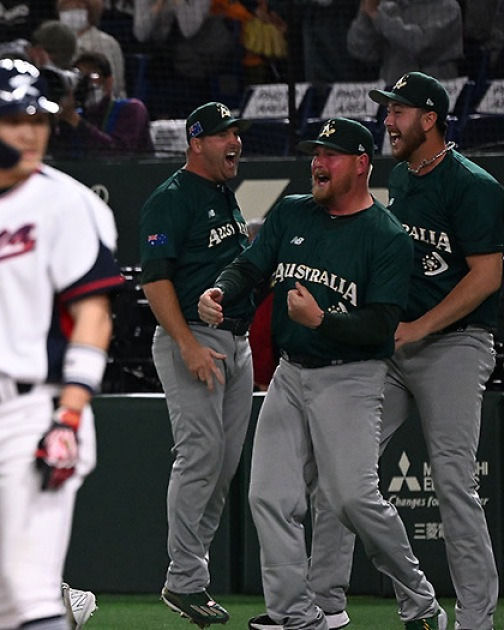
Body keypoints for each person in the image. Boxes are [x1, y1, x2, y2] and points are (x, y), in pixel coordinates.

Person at [271, 71, 504, 630]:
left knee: (453, 482)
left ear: (429, 118)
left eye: (398, 111)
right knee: (342, 473)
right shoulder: (401, 178)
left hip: (456, 344)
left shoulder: (474, 184)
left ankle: (474, 617)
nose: (387, 121)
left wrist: (420, 326)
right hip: (395, 346)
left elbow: (490, 274)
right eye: (386, 110)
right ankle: (327, 603)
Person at [199, 117, 446, 630]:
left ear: (361, 164)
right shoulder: (292, 214)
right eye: (315, 152)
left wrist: (322, 319)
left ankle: (420, 602)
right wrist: (222, 287)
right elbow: (251, 264)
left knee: (353, 499)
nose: (318, 162)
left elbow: (382, 324)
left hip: (352, 378)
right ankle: (298, 615)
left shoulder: (387, 237)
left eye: (330, 154)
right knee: (268, 495)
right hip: (290, 376)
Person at [0, 59, 124, 630]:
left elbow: (93, 316)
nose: (32, 131)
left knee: (31, 593)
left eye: (38, 118)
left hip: (35, 412)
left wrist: (70, 417)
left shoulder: (68, 204)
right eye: (15, 120)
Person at [138, 101, 254, 629]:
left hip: (237, 341)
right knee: (201, 454)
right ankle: (185, 578)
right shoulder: (171, 198)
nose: (235, 142)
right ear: (196, 142)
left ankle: (190, 575)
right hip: (193, 338)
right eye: (224, 134)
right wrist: (186, 343)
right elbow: (155, 280)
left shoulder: (222, 194)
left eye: (237, 133)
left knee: (223, 464)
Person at [49, 52, 152, 158]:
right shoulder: (75, 115)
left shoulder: (132, 109)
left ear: (109, 83)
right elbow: (56, 153)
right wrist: (58, 120)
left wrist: (77, 122)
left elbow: (119, 153)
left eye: (92, 77)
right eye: (81, 79)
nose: (86, 85)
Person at [346, 0, 462, 83]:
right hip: (392, 92)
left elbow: (420, 44)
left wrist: (377, 17)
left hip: (434, 94)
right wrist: (365, 13)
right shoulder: (386, 6)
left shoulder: (447, 7)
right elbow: (359, 50)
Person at [58, 0, 126, 98]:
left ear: (91, 11)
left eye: (77, 7)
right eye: (66, 8)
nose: (71, 12)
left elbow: (113, 84)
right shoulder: (58, 41)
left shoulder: (105, 42)